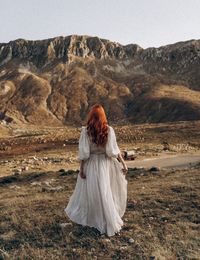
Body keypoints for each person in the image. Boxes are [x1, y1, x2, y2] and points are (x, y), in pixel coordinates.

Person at [64, 104, 128, 237]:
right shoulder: (109, 130)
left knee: (93, 193)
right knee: (106, 192)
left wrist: (81, 169)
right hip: (106, 165)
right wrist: (123, 163)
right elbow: (113, 151)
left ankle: (96, 218)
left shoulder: (85, 131)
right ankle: (106, 219)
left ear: (91, 116)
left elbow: (84, 153)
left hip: (91, 165)